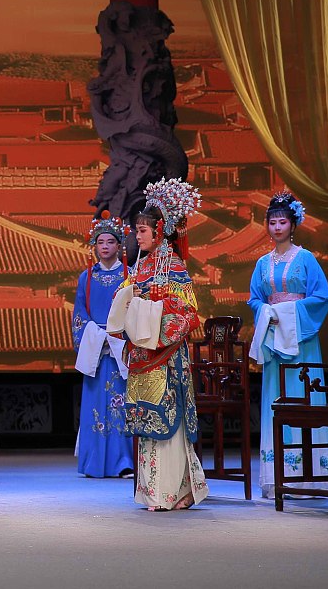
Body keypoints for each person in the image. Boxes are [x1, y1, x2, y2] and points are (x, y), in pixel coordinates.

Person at [120, 178, 209, 511]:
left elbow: (187, 310)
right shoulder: (140, 266)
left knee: (168, 420)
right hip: (144, 353)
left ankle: (173, 491)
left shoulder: (173, 266)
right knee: (147, 420)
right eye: (136, 231)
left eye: (142, 231)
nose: (138, 236)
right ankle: (152, 491)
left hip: (167, 355)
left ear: (159, 231)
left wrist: (154, 318)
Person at [247, 190, 328, 498]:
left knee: (303, 398)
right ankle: (278, 476)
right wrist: (267, 311)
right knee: (277, 399)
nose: (277, 227)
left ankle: (309, 477)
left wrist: (287, 311)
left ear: (293, 225)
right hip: (274, 341)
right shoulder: (262, 263)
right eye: (272, 222)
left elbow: (321, 297)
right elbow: (254, 299)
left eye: (282, 222)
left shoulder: (306, 258)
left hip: (301, 340)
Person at [71, 211, 133, 478]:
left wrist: (118, 336)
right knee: (96, 406)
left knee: (122, 406)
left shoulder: (129, 276)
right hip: (96, 348)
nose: (105, 247)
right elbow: (79, 314)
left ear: (119, 245)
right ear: (94, 246)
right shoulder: (86, 277)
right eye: (100, 242)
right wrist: (96, 336)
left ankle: (124, 462)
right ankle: (93, 462)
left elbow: (134, 311)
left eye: (110, 242)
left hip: (120, 348)